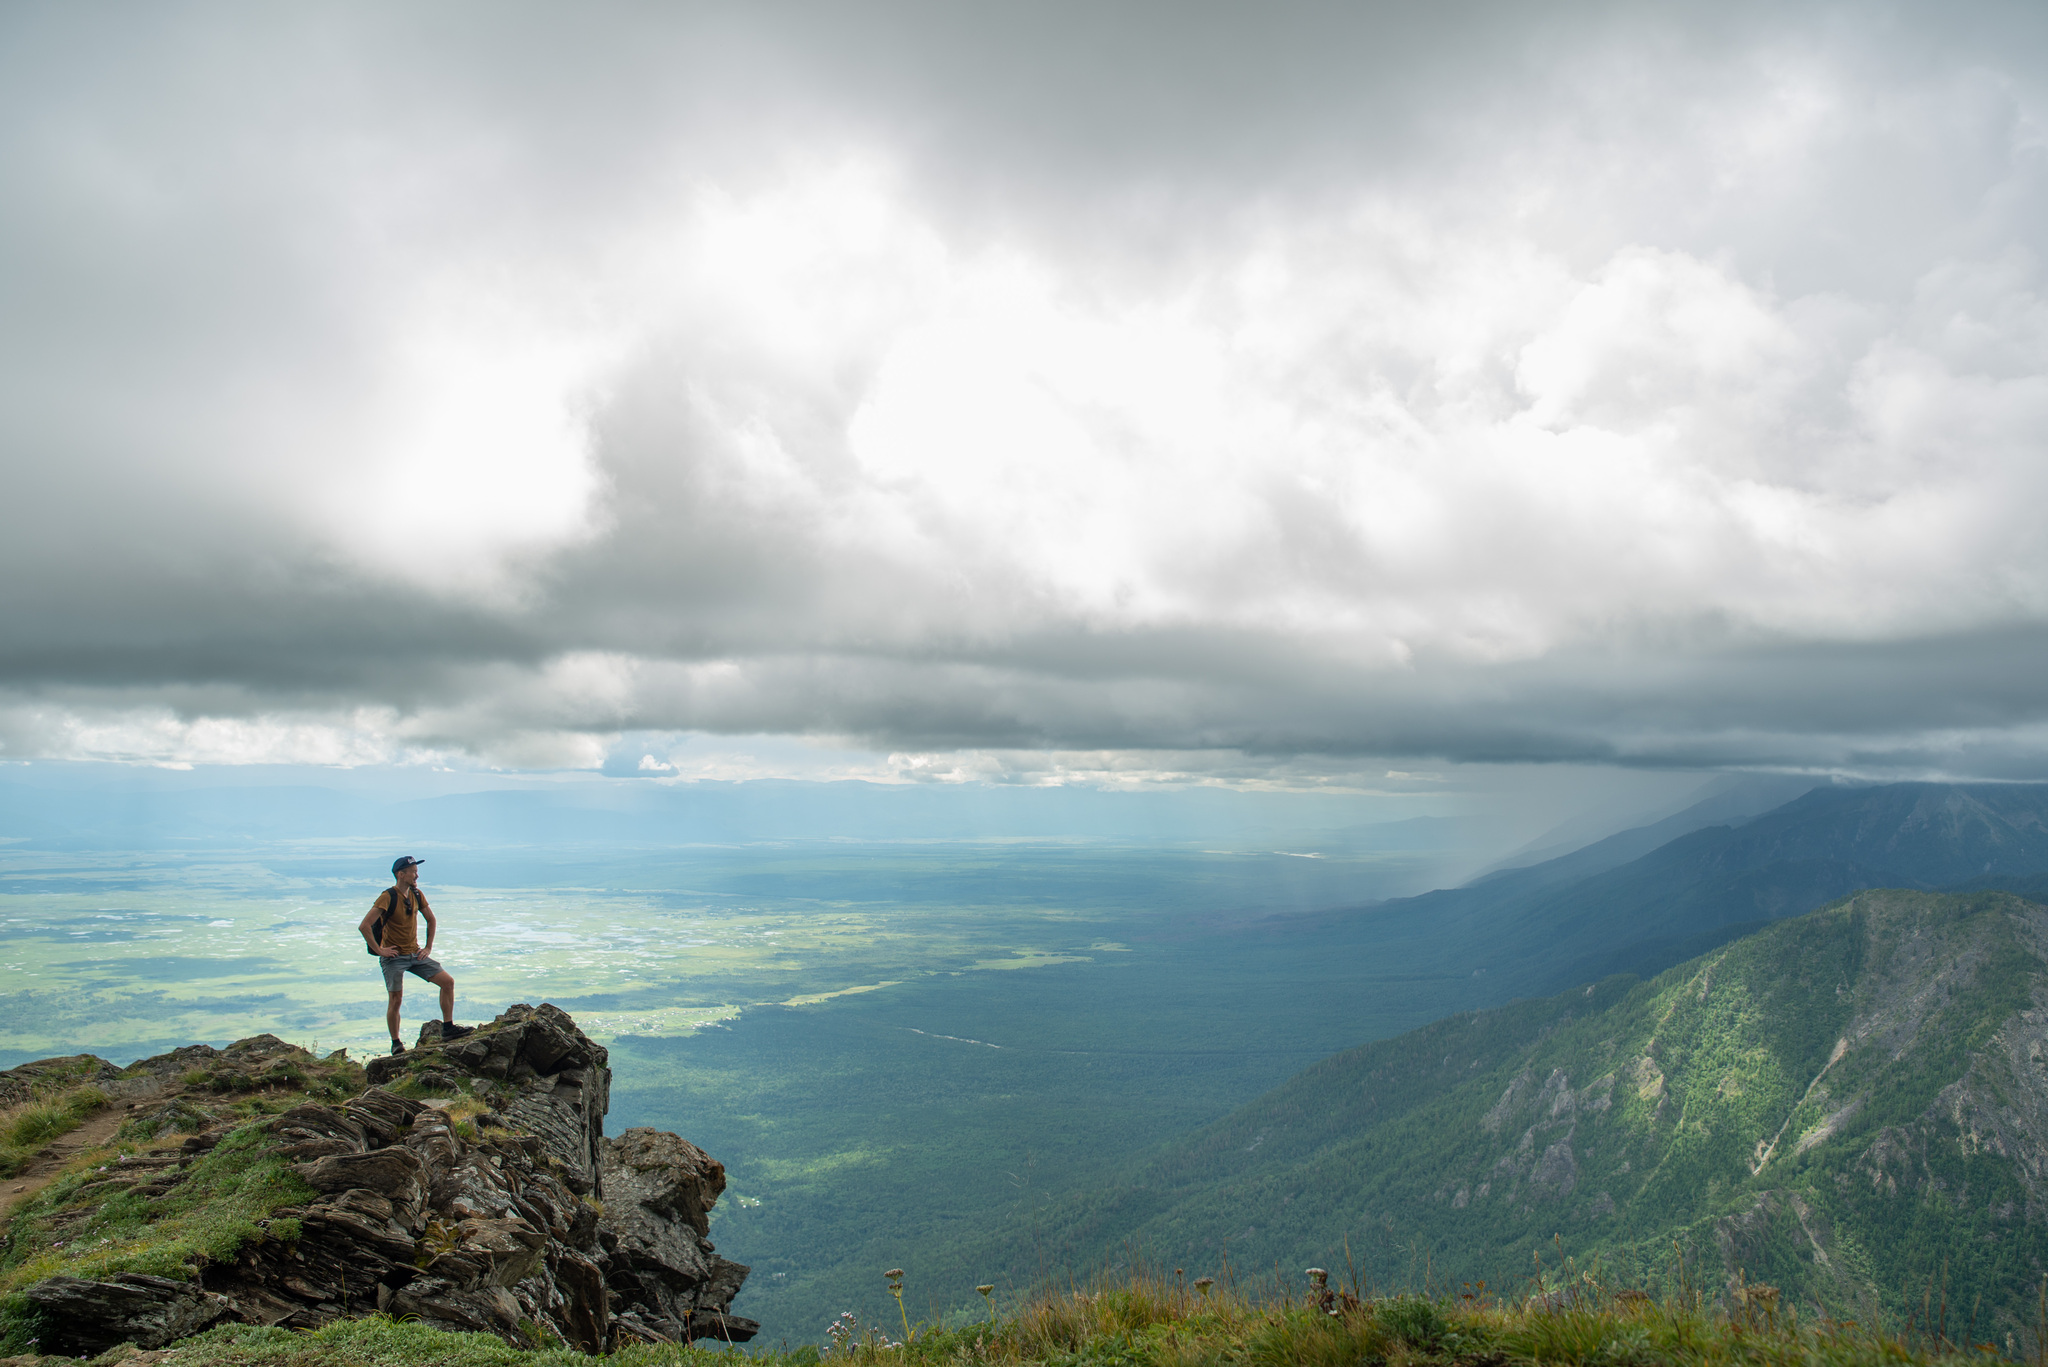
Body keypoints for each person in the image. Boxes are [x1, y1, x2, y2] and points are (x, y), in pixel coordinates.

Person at [359, 855, 474, 1056]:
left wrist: (428, 948)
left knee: (447, 982)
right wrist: (380, 950)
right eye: (413, 871)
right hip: (393, 957)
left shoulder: (417, 894)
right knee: (395, 999)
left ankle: (448, 1028)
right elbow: (364, 925)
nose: (416, 875)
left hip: (415, 954)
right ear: (400, 874)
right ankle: (396, 1043)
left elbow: (431, 919)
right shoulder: (387, 897)